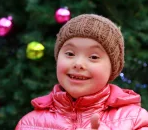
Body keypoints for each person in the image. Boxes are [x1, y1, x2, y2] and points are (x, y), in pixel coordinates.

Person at [15, 14, 148, 130]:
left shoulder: (135, 119)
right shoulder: (29, 123)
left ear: (112, 68)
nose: (78, 64)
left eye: (94, 57)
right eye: (70, 53)